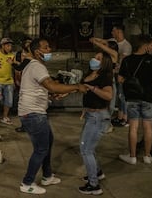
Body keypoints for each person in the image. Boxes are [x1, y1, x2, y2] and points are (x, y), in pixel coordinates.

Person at [18, 38, 88, 194]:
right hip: (33, 114)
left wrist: (51, 96)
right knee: (41, 149)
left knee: (48, 143)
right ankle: (27, 182)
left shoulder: (35, 65)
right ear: (38, 51)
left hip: (34, 112)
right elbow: (51, 85)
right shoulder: (36, 66)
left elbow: (41, 88)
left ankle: (47, 176)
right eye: (46, 47)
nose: (50, 50)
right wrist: (76, 86)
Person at [118, 35, 152, 165]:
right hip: (148, 97)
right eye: (150, 44)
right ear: (145, 45)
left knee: (133, 127)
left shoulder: (127, 60)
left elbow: (120, 79)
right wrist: (148, 82)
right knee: (148, 128)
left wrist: (131, 82)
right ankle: (147, 156)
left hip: (132, 97)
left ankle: (132, 157)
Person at [78, 51, 113, 195]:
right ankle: (97, 172)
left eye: (98, 58)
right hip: (90, 114)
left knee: (86, 149)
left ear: (104, 62)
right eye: (95, 57)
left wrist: (93, 88)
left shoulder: (104, 77)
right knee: (88, 147)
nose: (94, 59)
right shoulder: (90, 74)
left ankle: (94, 185)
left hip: (98, 116)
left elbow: (108, 95)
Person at [11, 37, 32, 132]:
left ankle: (28, 125)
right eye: (26, 43)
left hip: (30, 82)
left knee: (28, 105)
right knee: (23, 104)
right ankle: (25, 125)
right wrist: (17, 79)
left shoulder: (33, 56)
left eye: (30, 44)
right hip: (22, 80)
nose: (28, 45)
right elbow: (18, 68)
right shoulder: (19, 54)